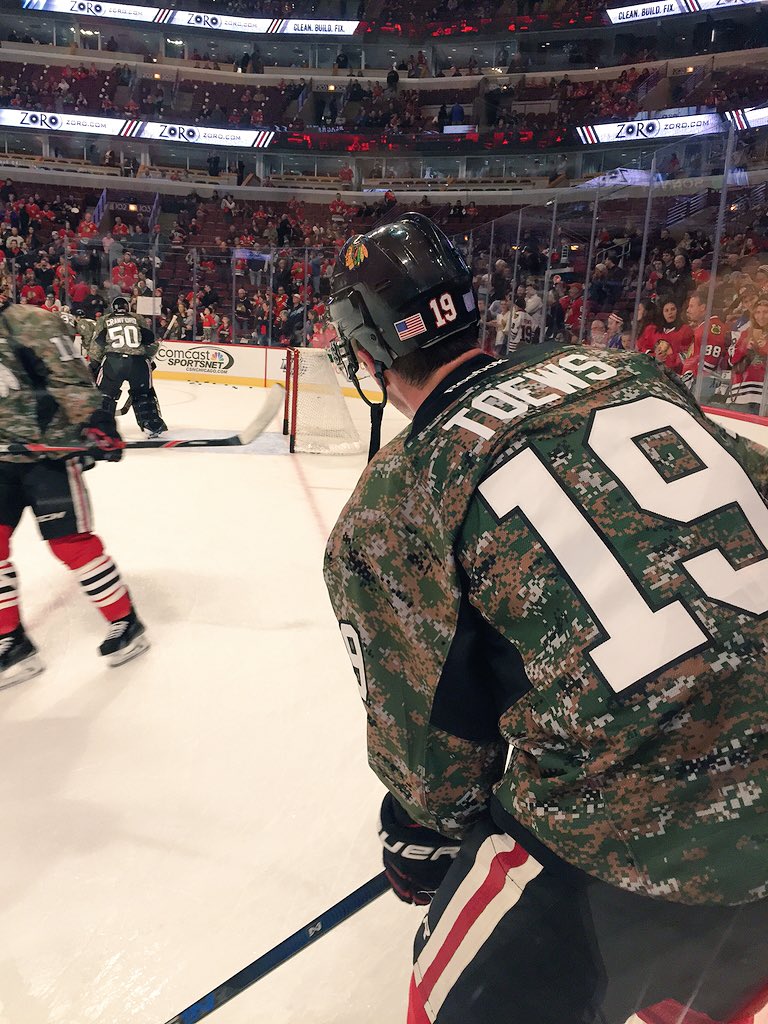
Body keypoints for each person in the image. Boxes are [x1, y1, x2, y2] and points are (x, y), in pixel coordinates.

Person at [323, 213, 768, 1024]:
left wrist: (417, 833)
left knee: (447, 999)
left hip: (633, 830)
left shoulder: (391, 507)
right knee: (706, 979)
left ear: (366, 352)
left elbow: (431, 755)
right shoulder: (624, 370)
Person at [0, 301, 148, 682]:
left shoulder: (31, 322)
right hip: (1, 458)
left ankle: (125, 622)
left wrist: (97, 422)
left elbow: (71, 379)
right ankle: (11, 640)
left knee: (70, 544)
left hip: (48, 453)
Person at [89, 296, 166, 438]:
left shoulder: (104, 320)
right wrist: (148, 358)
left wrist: (94, 364)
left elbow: (97, 346)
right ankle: (152, 426)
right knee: (144, 394)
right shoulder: (138, 318)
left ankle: (102, 428)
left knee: (105, 395)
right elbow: (150, 342)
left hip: (113, 361)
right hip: (138, 362)